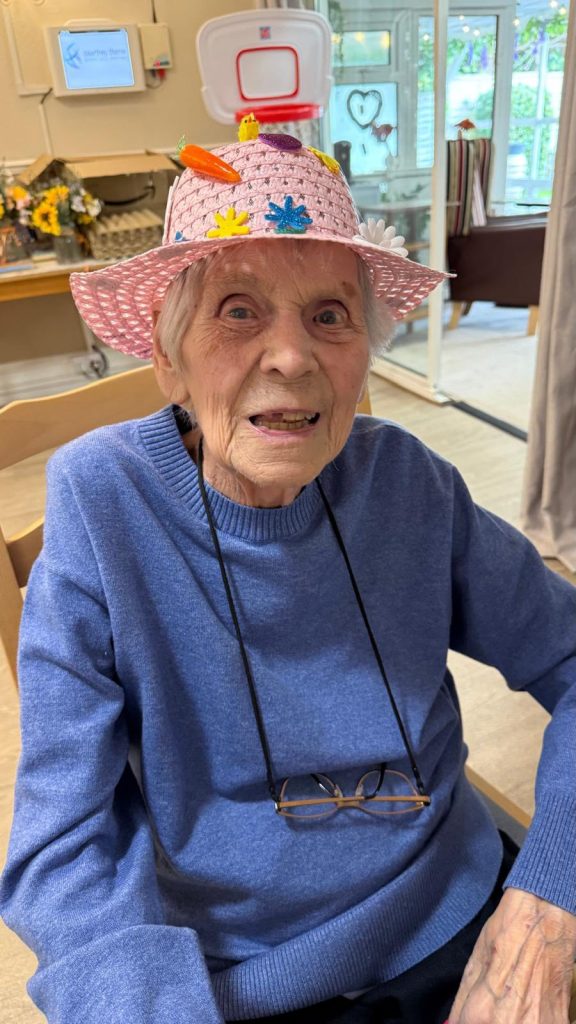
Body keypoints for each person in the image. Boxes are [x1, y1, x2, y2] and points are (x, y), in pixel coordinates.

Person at [1, 124, 575, 1024]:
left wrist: (551, 902)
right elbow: (62, 846)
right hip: (231, 983)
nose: (293, 357)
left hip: (460, 913)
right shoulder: (102, 503)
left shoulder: (411, 484)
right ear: (167, 358)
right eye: (237, 309)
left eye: (330, 314)